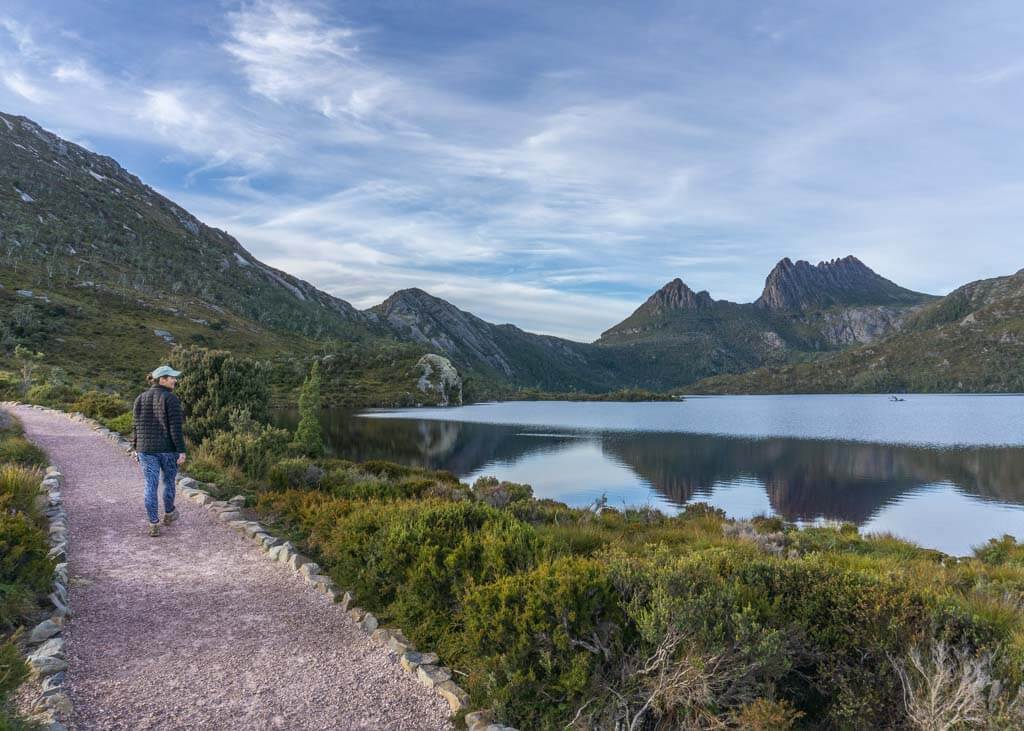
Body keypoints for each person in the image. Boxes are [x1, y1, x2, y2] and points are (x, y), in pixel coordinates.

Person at [131, 365, 187, 536]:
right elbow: (175, 429)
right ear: (162, 379)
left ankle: (153, 523)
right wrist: (181, 450)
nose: (175, 380)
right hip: (167, 450)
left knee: (150, 485)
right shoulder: (170, 399)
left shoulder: (140, 398)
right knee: (168, 482)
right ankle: (169, 513)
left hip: (145, 450)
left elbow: (135, 426)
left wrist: (134, 447)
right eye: (172, 377)